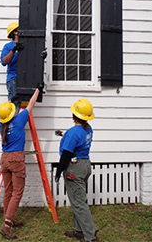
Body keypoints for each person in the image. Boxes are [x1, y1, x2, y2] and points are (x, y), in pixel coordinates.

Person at [0, 83, 44, 240]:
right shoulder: (18, 121)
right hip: (16, 158)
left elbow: (6, 112)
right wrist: (38, 88)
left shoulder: (0, 124)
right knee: (17, 192)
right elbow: (31, 104)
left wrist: (11, 100)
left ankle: (8, 219)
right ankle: (7, 225)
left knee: (8, 191)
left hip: (4, 158)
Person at [55, 99, 98, 242]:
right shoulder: (88, 128)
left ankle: (90, 236)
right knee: (77, 199)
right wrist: (63, 134)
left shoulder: (74, 132)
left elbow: (67, 153)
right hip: (85, 164)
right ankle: (78, 230)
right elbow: (76, 138)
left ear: (74, 115)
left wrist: (59, 170)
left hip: (75, 167)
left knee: (79, 203)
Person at [0, 22, 24, 114]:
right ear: (15, 32)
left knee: (25, 104)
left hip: (24, 79)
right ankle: (11, 126)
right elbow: (4, 61)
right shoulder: (8, 46)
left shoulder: (25, 45)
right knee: (14, 105)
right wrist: (14, 49)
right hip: (13, 79)